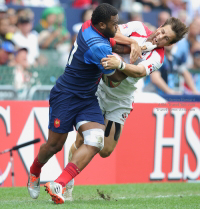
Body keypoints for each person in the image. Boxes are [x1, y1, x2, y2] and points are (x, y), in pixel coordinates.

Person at [27, 3, 141, 204]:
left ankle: (58, 184)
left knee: (96, 140)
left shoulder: (90, 25)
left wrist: (135, 43)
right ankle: (35, 170)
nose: (117, 27)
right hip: (66, 96)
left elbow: (115, 40)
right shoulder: (98, 47)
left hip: (87, 98)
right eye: (114, 24)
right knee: (54, 145)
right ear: (102, 24)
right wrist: (135, 68)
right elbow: (114, 79)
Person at [65, 17, 189, 200]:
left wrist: (120, 64)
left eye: (166, 38)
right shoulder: (138, 27)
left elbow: (139, 71)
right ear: (160, 26)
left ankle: (74, 156)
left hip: (121, 100)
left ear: (169, 44)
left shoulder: (158, 57)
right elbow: (111, 32)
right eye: (162, 31)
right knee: (87, 138)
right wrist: (132, 42)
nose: (160, 37)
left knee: (105, 151)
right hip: (98, 89)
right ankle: (67, 183)